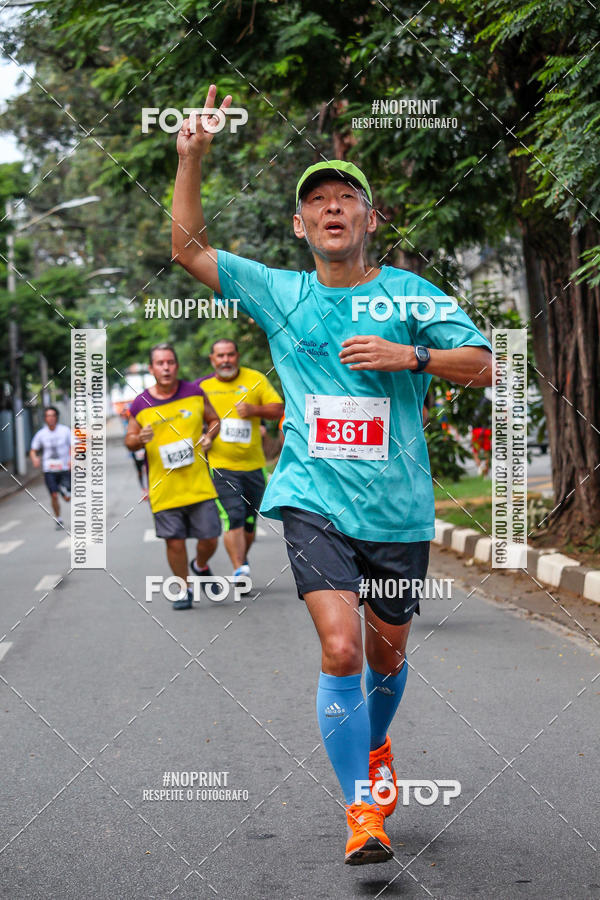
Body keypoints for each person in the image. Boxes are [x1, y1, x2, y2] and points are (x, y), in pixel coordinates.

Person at [171, 85, 494, 864]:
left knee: (386, 656)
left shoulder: (410, 295)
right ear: (301, 225)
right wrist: (190, 159)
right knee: (343, 649)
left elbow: (486, 366)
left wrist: (409, 355)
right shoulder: (281, 292)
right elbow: (187, 249)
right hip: (312, 500)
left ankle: (375, 753)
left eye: (347, 198)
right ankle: (362, 813)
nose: (333, 209)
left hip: (397, 513)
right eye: (318, 202)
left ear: (370, 219)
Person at [125, 343, 221, 610]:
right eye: (160, 363)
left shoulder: (194, 392)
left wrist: (209, 436)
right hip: (164, 488)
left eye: (170, 362)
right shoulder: (141, 403)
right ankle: (184, 587)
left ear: (176, 365)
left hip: (199, 484)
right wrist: (138, 439)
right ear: (151, 368)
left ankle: (200, 565)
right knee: (175, 542)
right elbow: (130, 440)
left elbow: (214, 420)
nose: (166, 367)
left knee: (210, 538)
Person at [197, 339, 284, 578]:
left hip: (254, 464)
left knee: (249, 521)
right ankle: (238, 569)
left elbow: (278, 408)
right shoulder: (202, 387)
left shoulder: (255, 378)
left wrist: (254, 410)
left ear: (237, 356)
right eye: (220, 356)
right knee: (232, 514)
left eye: (230, 355)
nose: (226, 360)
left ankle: (241, 558)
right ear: (212, 360)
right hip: (221, 465)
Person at [30, 406, 72, 529]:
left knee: (67, 498)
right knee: (53, 495)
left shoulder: (65, 431)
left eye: (53, 415)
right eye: (48, 416)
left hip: (64, 468)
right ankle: (58, 519)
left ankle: (62, 490)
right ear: (45, 419)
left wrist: (72, 459)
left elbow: (74, 446)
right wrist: (34, 458)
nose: (51, 418)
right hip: (49, 470)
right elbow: (33, 450)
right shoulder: (41, 434)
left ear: (57, 417)